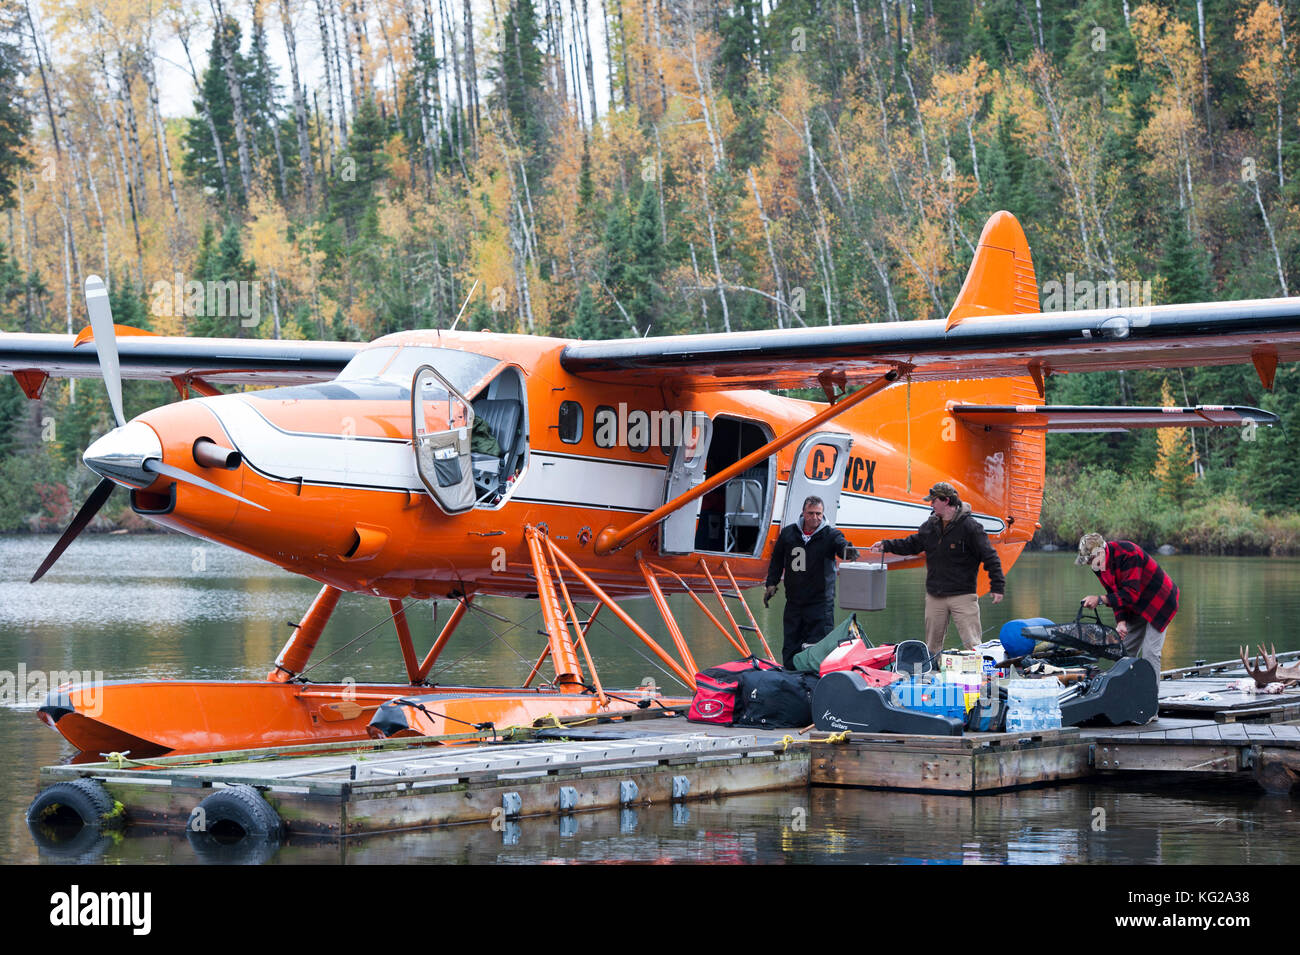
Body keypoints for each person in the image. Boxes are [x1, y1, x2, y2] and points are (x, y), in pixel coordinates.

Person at [869, 481, 1004, 657]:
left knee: (973, 644)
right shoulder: (929, 526)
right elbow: (911, 544)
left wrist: (997, 586)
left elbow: (990, 556)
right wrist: (886, 545)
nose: (931, 504)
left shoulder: (971, 527)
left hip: (963, 595)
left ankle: (978, 678)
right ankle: (932, 673)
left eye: (934, 501)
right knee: (931, 647)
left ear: (946, 501)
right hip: (935, 596)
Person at [764, 496, 858, 669]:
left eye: (819, 514)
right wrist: (771, 583)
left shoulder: (830, 535)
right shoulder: (789, 533)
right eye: (811, 513)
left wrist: (848, 551)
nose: (815, 518)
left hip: (820, 603)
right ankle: (790, 677)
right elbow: (777, 560)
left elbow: (841, 545)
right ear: (803, 513)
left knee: (819, 646)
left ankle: (817, 682)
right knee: (791, 644)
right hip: (794, 602)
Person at [1075, 533, 1177, 674]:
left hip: (1159, 601)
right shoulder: (1097, 564)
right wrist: (1121, 621)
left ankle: (1150, 695)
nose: (1090, 564)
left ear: (1102, 551)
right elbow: (1114, 592)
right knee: (1124, 652)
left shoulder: (1128, 553)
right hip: (1136, 603)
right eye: (1087, 561)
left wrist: (1099, 599)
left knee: (1150, 654)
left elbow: (1130, 594)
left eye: (1091, 559)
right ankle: (1126, 691)